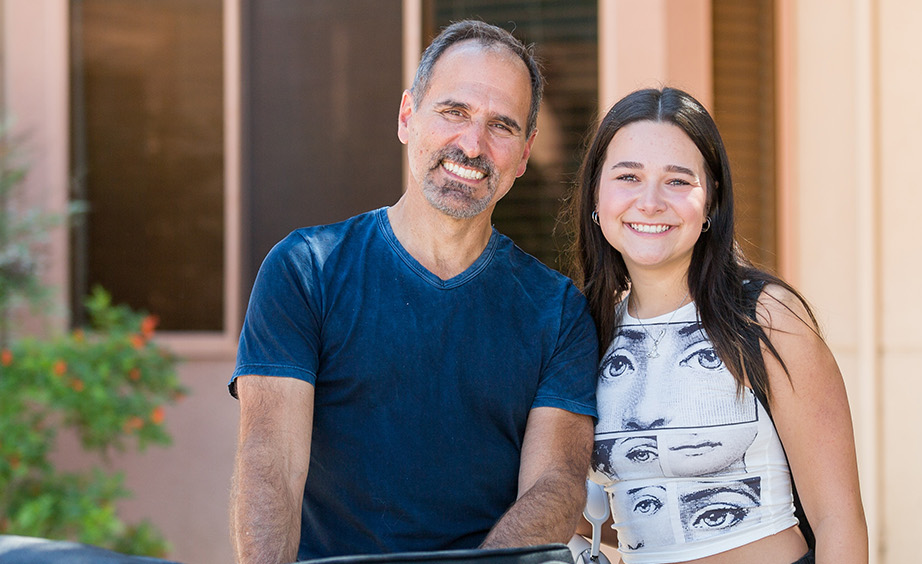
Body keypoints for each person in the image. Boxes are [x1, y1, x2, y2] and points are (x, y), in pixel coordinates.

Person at [228, 20, 598, 563]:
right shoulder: (306, 271)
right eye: (454, 111)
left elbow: (557, 489)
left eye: (501, 125)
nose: (472, 144)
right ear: (407, 117)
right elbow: (271, 465)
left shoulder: (558, 311)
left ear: (524, 154)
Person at [570, 87, 867, 564]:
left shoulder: (766, 317)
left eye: (677, 181)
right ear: (596, 196)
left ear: (710, 203)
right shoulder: (584, 331)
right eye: (628, 176)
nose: (649, 202)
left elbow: (839, 520)